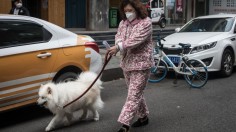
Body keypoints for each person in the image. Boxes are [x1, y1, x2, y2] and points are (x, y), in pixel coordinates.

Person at [108, 0, 154, 131]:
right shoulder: (123, 23)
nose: (128, 13)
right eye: (126, 11)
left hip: (142, 65)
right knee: (135, 93)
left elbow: (135, 40)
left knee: (133, 95)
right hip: (127, 63)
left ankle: (125, 125)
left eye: (130, 11)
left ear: (137, 10)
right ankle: (143, 117)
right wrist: (118, 43)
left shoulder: (146, 23)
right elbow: (118, 35)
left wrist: (118, 47)